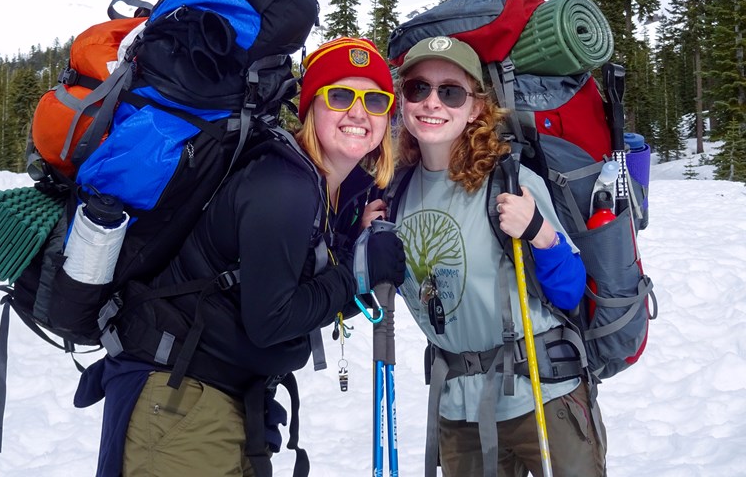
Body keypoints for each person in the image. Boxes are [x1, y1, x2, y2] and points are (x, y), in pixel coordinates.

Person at [74, 36, 406, 477]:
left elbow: (289, 292)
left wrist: (351, 261)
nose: (359, 112)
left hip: (207, 398)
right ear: (309, 107)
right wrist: (358, 275)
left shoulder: (311, 184)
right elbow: (272, 321)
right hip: (179, 405)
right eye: (340, 95)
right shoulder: (284, 186)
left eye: (376, 100)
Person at [369, 36, 606, 476]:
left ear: (477, 107)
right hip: (460, 412)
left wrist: (540, 232)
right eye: (418, 88)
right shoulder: (394, 194)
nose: (432, 102)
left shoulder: (509, 181)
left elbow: (570, 290)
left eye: (451, 92)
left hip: (541, 394)